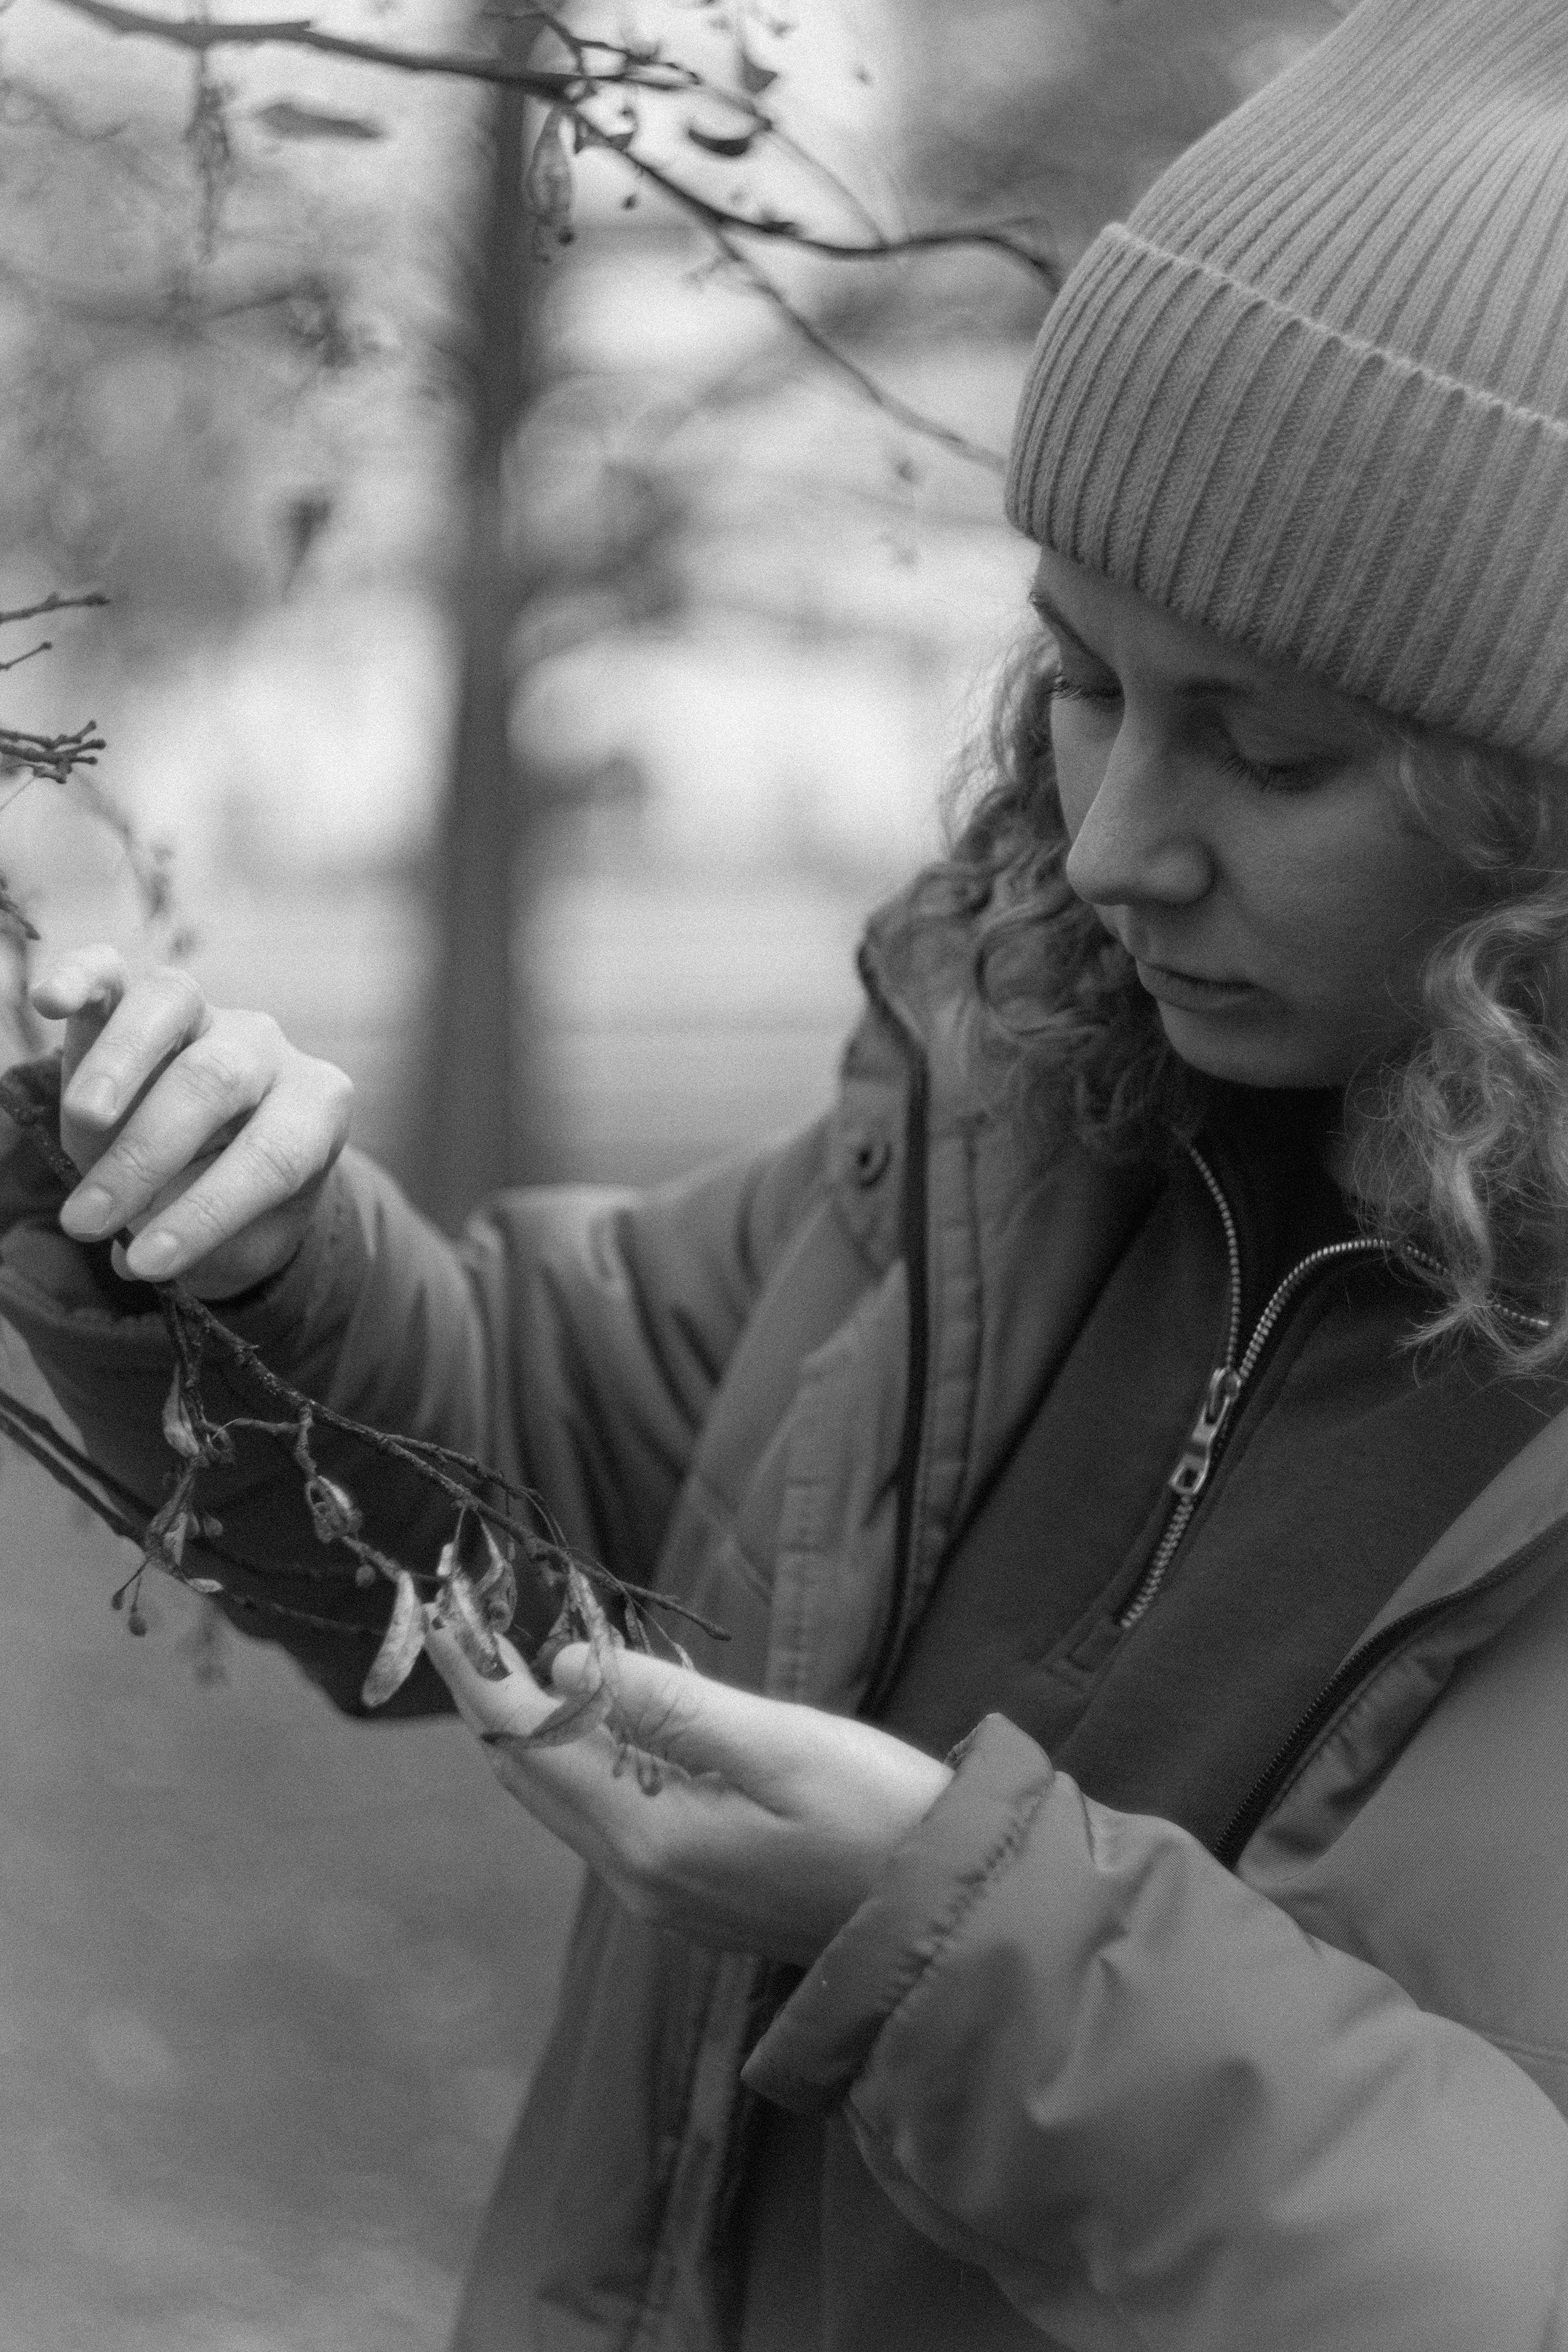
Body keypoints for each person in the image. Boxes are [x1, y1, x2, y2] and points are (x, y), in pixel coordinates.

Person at [9, 0, 1568, 2343]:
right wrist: (220, 1256)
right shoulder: (1028, 1092)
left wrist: (966, 1945)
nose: (1122, 842)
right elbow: (568, 1475)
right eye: (1082, 676)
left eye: (1268, 747)